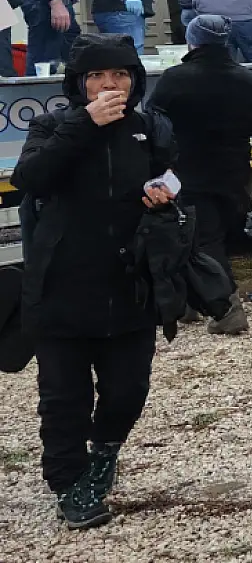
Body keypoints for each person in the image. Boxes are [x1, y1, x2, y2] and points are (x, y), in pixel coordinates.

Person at [15, 34, 180, 528]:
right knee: (64, 399)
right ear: (79, 83)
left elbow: (171, 181)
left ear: (135, 80)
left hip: (129, 283)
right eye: (97, 76)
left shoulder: (149, 129)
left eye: (120, 75)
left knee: (128, 390)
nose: (110, 84)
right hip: (61, 284)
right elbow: (30, 178)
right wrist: (84, 124)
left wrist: (164, 200)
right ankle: (69, 483)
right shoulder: (52, 126)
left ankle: (104, 453)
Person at [147, 13, 252, 336]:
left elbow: (154, 122)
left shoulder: (174, 79)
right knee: (212, 235)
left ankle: (227, 308)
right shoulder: (248, 80)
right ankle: (189, 303)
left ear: (192, 42)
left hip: (190, 171)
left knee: (202, 239)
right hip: (234, 170)